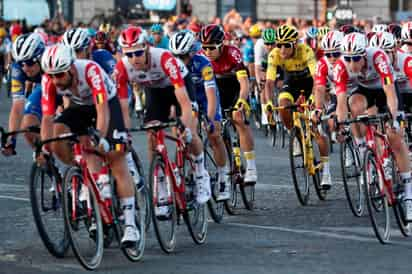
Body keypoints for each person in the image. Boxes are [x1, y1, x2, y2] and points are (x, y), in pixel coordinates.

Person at [40, 44, 140, 246]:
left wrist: (102, 138)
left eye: (59, 75)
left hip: (105, 105)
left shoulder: (90, 70)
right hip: (80, 107)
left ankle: (131, 225)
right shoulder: (49, 81)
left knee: (114, 157)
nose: (55, 81)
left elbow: (102, 110)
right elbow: (47, 118)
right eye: (51, 75)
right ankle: (82, 173)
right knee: (57, 135)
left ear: (70, 68)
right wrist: (44, 147)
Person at [114, 26, 211, 207]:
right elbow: (123, 109)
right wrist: (124, 134)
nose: (134, 59)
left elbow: (183, 101)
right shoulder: (122, 68)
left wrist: (188, 127)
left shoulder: (164, 59)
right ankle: (160, 186)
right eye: (129, 54)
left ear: (147, 47)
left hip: (179, 87)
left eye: (137, 53)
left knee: (189, 134)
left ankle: (200, 173)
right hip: (155, 91)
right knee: (152, 133)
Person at [334, 32, 412, 220]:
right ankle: (363, 148)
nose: (352, 64)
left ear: (364, 55)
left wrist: (393, 117)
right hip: (365, 91)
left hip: (385, 90)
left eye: (356, 59)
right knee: (354, 106)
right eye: (348, 59)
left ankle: (409, 195)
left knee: (394, 136)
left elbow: (390, 91)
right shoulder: (340, 67)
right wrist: (341, 126)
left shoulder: (378, 57)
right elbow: (341, 101)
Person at [169, 30, 230, 200]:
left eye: (183, 56)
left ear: (191, 53)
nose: (179, 60)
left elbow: (211, 94)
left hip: (204, 98)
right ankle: (190, 169)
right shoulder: (170, 65)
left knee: (214, 134)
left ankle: (223, 176)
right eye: (175, 56)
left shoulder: (203, 63)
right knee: (180, 133)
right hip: (186, 99)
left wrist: (210, 119)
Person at [200, 24, 258, 184]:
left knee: (238, 118)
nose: (207, 52)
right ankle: (228, 162)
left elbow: (244, 83)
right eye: (204, 47)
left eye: (211, 48)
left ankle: (251, 167)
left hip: (236, 87)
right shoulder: (201, 56)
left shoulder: (232, 53)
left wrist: (241, 101)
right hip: (216, 88)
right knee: (215, 129)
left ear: (221, 44)